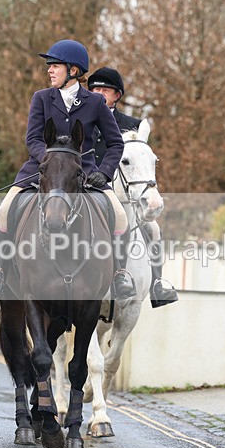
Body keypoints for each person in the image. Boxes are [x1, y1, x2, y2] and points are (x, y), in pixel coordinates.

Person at [0, 40, 136, 300]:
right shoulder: (41, 98)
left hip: (83, 173)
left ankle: (120, 274)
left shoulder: (95, 103)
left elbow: (115, 142)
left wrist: (105, 173)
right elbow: (33, 139)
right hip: (40, 171)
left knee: (120, 217)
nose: (49, 71)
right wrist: (49, 162)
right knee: (4, 213)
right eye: (49, 67)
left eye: (55, 66)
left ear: (73, 70)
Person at [88, 67, 178, 308]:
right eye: (94, 89)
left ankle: (157, 284)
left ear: (117, 95)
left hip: (122, 195)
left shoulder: (132, 125)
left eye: (104, 90)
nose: (98, 94)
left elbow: (141, 164)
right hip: (86, 190)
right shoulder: (81, 120)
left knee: (153, 230)